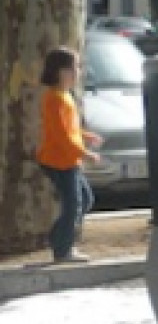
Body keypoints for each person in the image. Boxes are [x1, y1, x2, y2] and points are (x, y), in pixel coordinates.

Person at [36, 46, 102, 263]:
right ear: (58, 71)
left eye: (77, 68)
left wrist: (86, 135)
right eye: (72, 68)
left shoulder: (64, 96)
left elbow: (69, 129)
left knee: (85, 200)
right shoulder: (54, 99)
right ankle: (63, 250)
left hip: (67, 159)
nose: (77, 73)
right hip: (59, 161)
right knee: (73, 205)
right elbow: (61, 135)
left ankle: (57, 237)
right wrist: (85, 154)